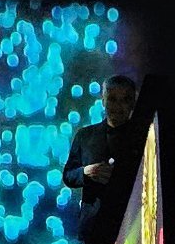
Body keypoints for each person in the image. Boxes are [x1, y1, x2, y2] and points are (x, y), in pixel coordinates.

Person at [60, 72, 141, 234]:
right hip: (92, 226)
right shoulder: (84, 135)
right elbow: (68, 176)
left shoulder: (142, 138)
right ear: (103, 101)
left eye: (125, 100)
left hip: (131, 226)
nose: (118, 106)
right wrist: (86, 172)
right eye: (112, 99)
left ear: (133, 103)